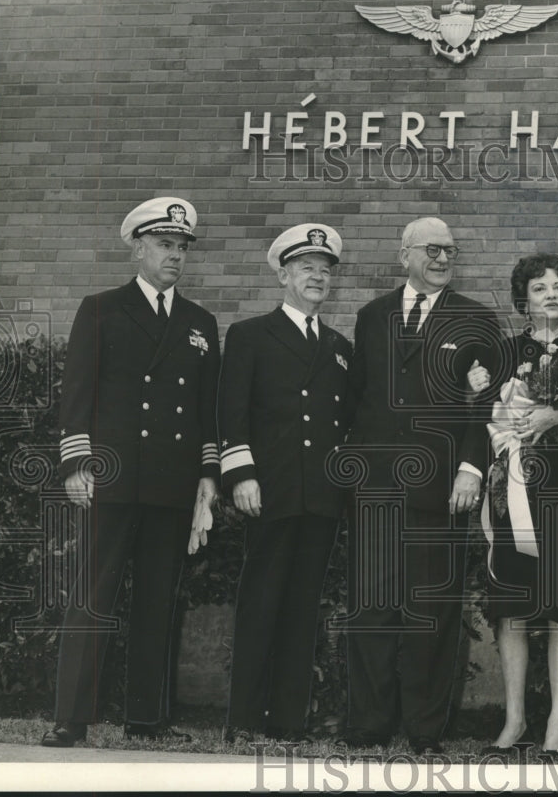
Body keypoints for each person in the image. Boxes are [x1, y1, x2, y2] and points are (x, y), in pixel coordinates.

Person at [42, 197, 220, 748]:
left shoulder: (200, 323)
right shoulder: (101, 309)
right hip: (112, 477)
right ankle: (71, 717)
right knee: (92, 594)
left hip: (171, 482)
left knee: (157, 600)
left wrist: (207, 479)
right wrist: (75, 460)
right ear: (138, 247)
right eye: (165, 245)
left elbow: (207, 410)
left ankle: (147, 717)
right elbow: (77, 392)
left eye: (182, 247)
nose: (176, 256)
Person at [340, 217, 502, 755]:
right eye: (432, 249)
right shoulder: (371, 317)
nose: (442, 258)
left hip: (440, 490)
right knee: (372, 608)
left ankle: (426, 730)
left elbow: (485, 409)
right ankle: (368, 724)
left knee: (432, 611)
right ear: (404, 254)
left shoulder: (476, 320)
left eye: (450, 251)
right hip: (376, 489)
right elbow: (359, 398)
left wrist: (471, 469)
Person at [468, 253, 558, 758]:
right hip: (511, 497)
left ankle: (557, 722)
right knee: (512, 612)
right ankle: (514, 719)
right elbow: (482, 421)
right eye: (540, 288)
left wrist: (556, 414)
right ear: (522, 300)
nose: (552, 294)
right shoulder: (503, 353)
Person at [218, 223, 353, 743]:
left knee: (302, 608)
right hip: (269, 489)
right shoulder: (251, 335)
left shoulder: (340, 346)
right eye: (306, 268)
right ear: (283, 274)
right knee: (261, 602)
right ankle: (244, 720)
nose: (317, 277)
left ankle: (288, 720)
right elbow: (233, 411)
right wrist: (242, 475)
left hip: (320, 496)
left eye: (324, 270)